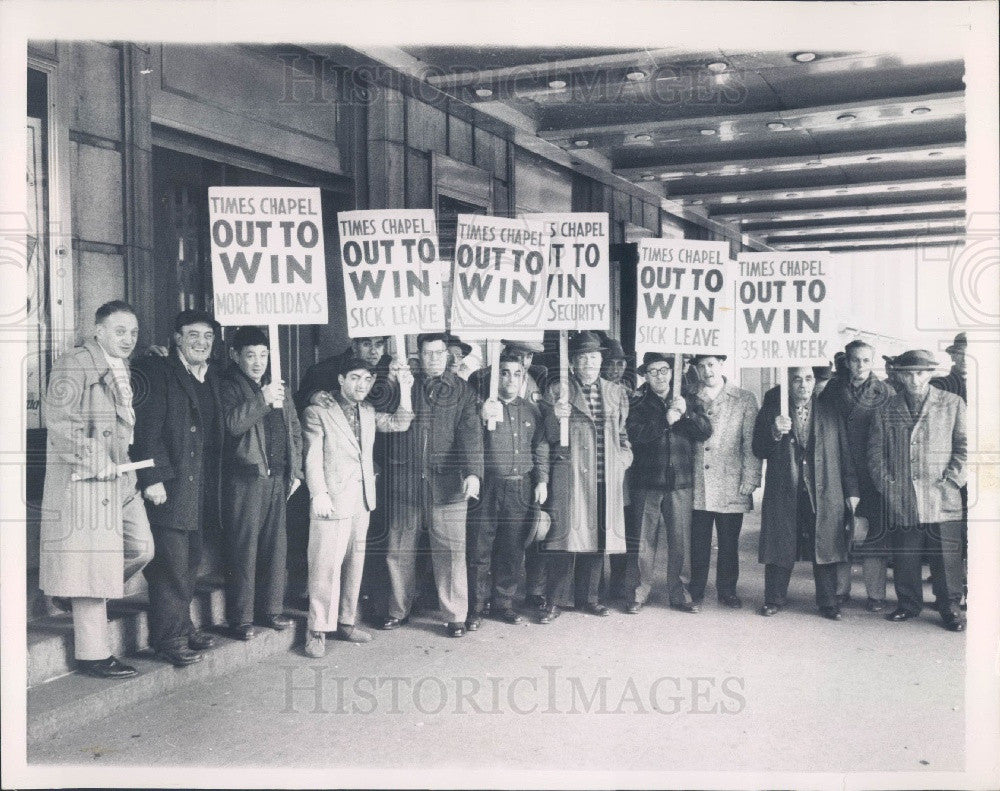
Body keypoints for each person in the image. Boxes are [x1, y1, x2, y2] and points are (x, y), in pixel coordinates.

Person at [39, 301, 155, 679]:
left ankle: (73, 594)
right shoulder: (76, 362)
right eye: (119, 331)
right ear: (99, 330)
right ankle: (93, 655)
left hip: (121, 478)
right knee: (92, 566)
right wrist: (93, 456)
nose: (127, 339)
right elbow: (57, 418)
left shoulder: (122, 367)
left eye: (133, 332)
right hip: (88, 480)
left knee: (141, 548)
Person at [301, 356, 414, 657]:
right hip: (331, 500)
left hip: (361, 500)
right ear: (340, 379)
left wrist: (405, 389)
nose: (361, 384)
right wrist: (318, 493)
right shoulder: (318, 411)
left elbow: (400, 422)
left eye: (366, 379)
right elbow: (312, 456)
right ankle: (316, 630)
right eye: (354, 378)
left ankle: (346, 621)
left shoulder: (368, 411)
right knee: (325, 567)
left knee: (354, 563)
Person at [131, 309, 225, 666]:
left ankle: (183, 627)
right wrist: (152, 477)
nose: (201, 342)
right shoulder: (158, 370)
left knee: (188, 564)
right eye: (193, 335)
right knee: (170, 567)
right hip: (169, 485)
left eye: (207, 337)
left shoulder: (210, 375)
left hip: (198, 487)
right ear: (177, 338)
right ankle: (168, 640)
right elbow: (146, 431)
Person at [380, 333, 484, 638]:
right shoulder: (403, 385)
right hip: (405, 482)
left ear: (448, 357)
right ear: (418, 356)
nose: (434, 359)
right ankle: (397, 610)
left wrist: (473, 473)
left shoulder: (463, 392)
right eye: (428, 354)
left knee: (451, 552)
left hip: (447, 484)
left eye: (439, 354)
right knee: (398, 551)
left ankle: (455, 615)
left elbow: (470, 435)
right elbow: (377, 409)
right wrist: (391, 381)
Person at [537, 331, 632, 624]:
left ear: (601, 360)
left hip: (606, 476)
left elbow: (623, 436)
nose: (589, 363)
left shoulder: (617, 393)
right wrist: (555, 414)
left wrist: (624, 459)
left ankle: (589, 598)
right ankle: (552, 601)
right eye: (582, 358)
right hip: (572, 476)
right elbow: (545, 438)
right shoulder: (558, 392)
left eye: (593, 357)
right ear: (573, 363)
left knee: (599, 539)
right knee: (564, 540)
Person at [869, 349, 966, 632]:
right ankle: (908, 604)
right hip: (903, 497)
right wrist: (889, 486)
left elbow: (965, 446)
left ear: (930, 374)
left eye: (920, 373)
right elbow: (875, 455)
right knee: (905, 555)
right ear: (899, 375)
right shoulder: (886, 408)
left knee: (946, 557)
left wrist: (951, 480)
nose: (914, 379)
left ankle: (950, 609)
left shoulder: (952, 403)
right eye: (908, 373)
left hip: (941, 495)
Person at [752, 367, 859, 620]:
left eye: (808, 378)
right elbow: (758, 448)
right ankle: (774, 599)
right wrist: (774, 431)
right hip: (784, 489)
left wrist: (851, 490)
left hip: (824, 489)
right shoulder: (772, 411)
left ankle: (829, 602)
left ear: (815, 383)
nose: (803, 384)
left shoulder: (830, 412)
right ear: (788, 383)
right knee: (780, 542)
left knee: (824, 543)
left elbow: (844, 454)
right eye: (797, 379)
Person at [218, 327, 303, 640]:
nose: (258, 362)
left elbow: (293, 428)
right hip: (246, 477)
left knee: (275, 547)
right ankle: (240, 619)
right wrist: (262, 399)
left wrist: (297, 471)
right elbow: (232, 425)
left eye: (263, 355)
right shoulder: (229, 385)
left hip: (279, 476)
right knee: (245, 548)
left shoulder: (277, 384)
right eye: (250, 355)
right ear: (236, 356)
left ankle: (271, 611)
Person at [624, 352, 712, 614]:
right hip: (647, 481)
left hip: (680, 482)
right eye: (653, 372)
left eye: (664, 370)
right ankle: (639, 591)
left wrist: (686, 415)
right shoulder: (637, 402)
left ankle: (680, 592)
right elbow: (634, 434)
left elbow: (705, 431)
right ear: (646, 376)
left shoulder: (689, 400)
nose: (659, 376)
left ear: (672, 373)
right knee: (642, 540)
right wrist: (664, 420)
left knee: (680, 541)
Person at [473, 352, 550, 628]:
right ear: (496, 376)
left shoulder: (531, 410)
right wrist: (481, 417)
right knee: (481, 546)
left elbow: (540, 447)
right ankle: (477, 606)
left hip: (521, 486)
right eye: (504, 372)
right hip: (489, 485)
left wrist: (541, 480)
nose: (511, 379)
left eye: (517, 374)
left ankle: (503, 603)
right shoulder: (482, 408)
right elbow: (470, 445)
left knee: (512, 547)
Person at [819, 340, 896, 612]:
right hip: (837, 471)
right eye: (854, 360)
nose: (860, 366)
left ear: (872, 361)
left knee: (874, 535)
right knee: (842, 531)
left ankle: (876, 595)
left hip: (872, 474)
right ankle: (841, 591)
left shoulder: (886, 392)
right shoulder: (832, 389)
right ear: (846, 362)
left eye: (865, 360)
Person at [688, 354, 761, 609]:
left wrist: (751, 476)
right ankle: (695, 588)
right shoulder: (687, 396)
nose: (707, 370)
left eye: (711, 364)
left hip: (731, 480)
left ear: (721, 364)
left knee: (729, 542)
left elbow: (750, 441)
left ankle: (727, 589)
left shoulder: (744, 398)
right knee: (698, 540)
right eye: (701, 365)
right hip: (697, 479)